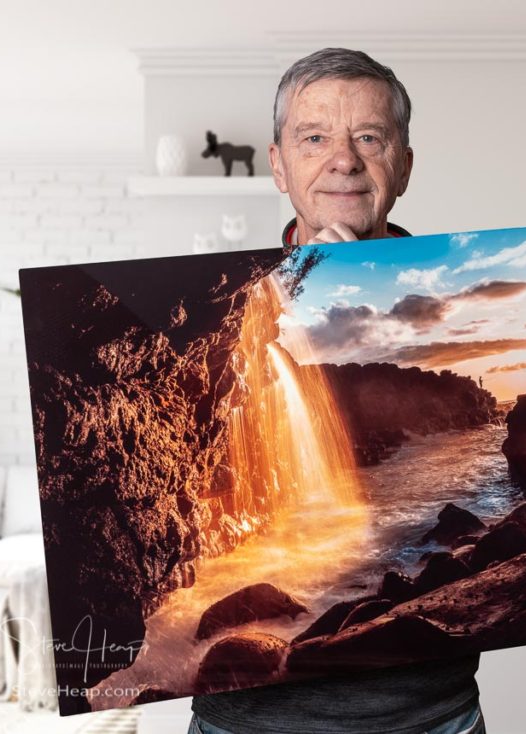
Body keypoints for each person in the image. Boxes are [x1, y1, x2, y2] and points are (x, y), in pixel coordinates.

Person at [188, 48, 486, 734]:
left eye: (369, 138)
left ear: (403, 165)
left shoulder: (452, 299)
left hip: (434, 719)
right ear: (278, 165)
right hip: (243, 726)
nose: (343, 160)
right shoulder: (214, 314)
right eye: (314, 137)